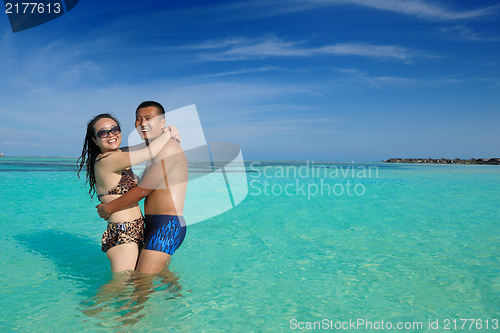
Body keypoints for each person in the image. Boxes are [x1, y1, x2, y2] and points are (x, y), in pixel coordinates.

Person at [77, 113, 179, 272]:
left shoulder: (119, 155)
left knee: (140, 282)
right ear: (94, 140)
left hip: (137, 231)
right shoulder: (107, 160)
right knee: (120, 287)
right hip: (123, 235)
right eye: (103, 133)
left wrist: (169, 131)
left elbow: (147, 146)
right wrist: (169, 133)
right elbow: (150, 151)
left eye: (114, 129)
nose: (111, 135)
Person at [97, 101, 188, 274]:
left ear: (162, 122)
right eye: (138, 119)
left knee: (141, 283)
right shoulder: (152, 147)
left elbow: (144, 190)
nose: (142, 123)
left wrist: (107, 209)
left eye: (148, 118)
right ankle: (177, 298)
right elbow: (116, 154)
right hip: (152, 222)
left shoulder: (169, 148)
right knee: (160, 275)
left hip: (167, 225)